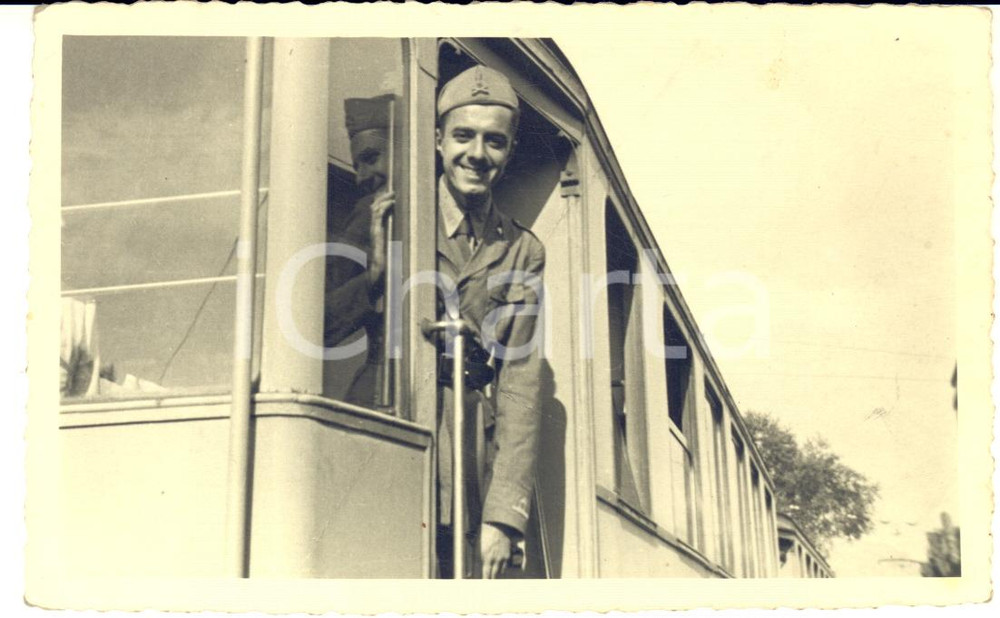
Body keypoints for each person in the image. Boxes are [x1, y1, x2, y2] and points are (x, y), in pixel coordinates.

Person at [428, 65, 546, 579]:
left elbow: (520, 383)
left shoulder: (523, 250)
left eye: (494, 141)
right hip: (395, 429)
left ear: (509, 151)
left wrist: (504, 515)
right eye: (463, 136)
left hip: (470, 453)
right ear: (438, 139)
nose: (477, 154)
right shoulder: (395, 216)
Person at [323, 94, 395, 406]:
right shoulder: (368, 213)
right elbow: (320, 322)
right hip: (387, 389)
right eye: (357, 165)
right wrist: (373, 277)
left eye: (371, 158)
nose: (362, 176)